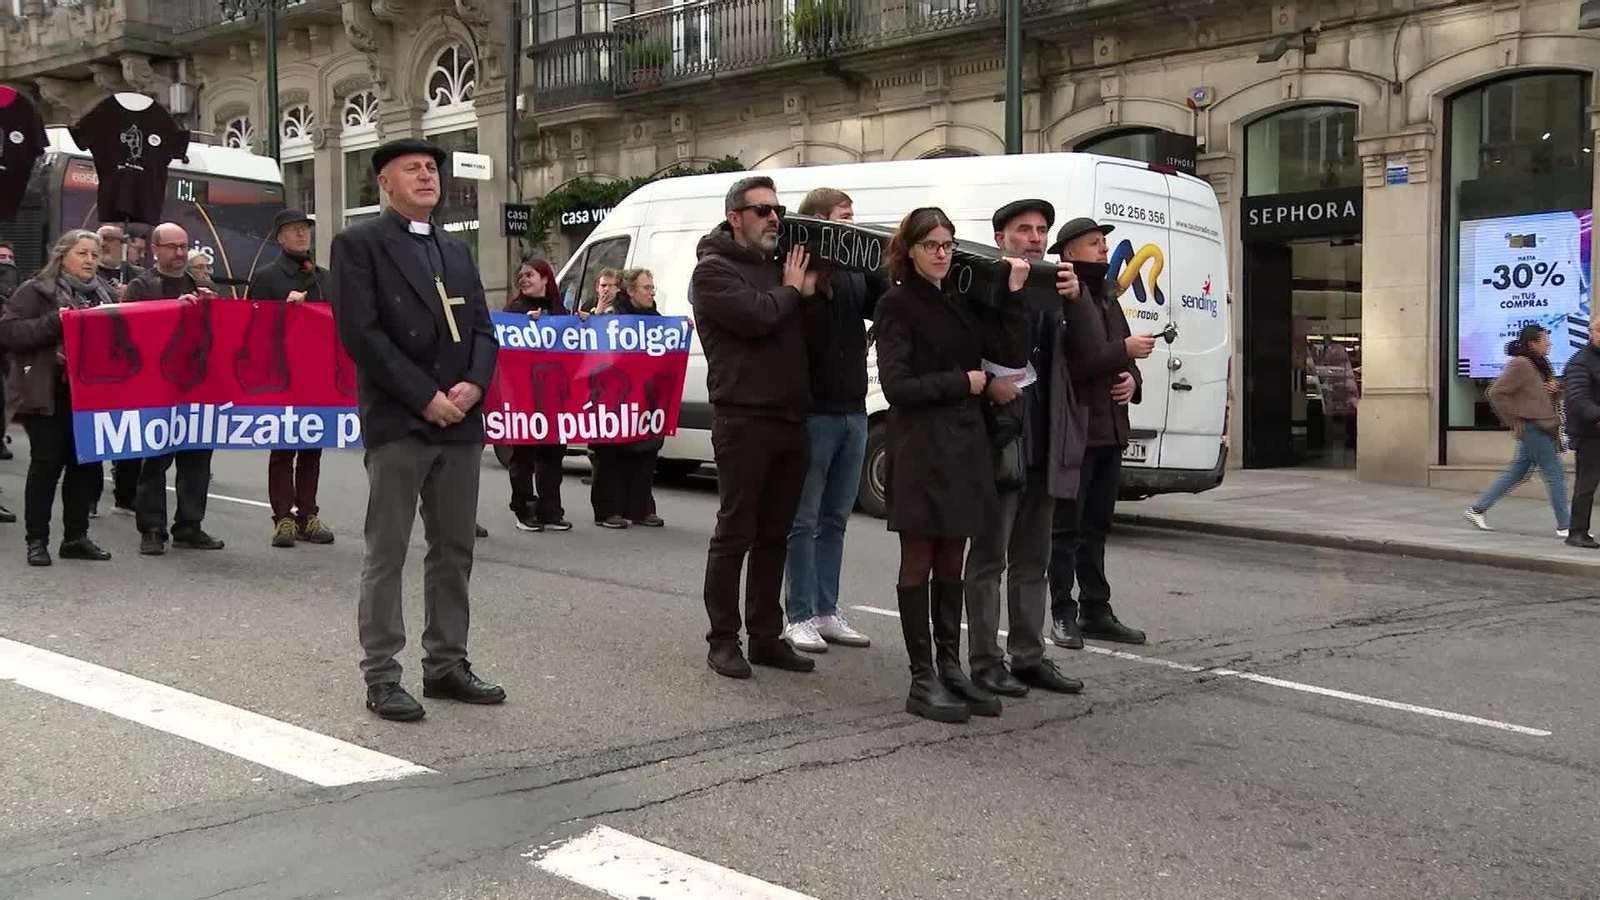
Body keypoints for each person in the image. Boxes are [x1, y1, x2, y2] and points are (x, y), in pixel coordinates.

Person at [331, 137, 503, 722]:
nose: (427, 176)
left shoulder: (456, 247)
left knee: (454, 548)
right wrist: (425, 397)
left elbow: (482, 326)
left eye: (432, 168)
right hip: (401, 417)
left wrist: (474, 385)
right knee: (388, 551)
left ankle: (446, 664)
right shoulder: (359, 244)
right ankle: (382, 675)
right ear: (385, 182)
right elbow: (362, 335)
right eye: (413, 169)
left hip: (460, 420)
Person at [875, 206, 1013, 723]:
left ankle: (950, 667)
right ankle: (921, 678)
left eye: (947, 245)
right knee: (920, 555)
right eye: (931, 245)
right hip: (921, 447)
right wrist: (963, 382)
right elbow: (897, 386)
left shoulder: (957, 299)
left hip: (963, 446)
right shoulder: (896, 303)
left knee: (953, 555)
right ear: (910, 249)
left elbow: (999, 348)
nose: (941, 254)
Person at [690, 174, 818, 679]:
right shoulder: (712, 271)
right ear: (735, 217)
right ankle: (723, 639)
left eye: (777, 210)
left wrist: (803, 290)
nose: (773, 219)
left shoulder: (778, 266)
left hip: (790, 417)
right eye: (762, 210)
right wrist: (792, 291)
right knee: (735, 532)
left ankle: (766, 635)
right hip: (743, 417)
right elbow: (758, 317)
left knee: (775, 534)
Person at [961, 198, 1086, 697]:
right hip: (1000, 438)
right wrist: (985, 383)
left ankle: (1029, 656)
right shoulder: (981, 283)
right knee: (989, 558)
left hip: (1047, 440)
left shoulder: (1060, 288)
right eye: (1023, 229)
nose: (1035, 238)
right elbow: (961, 348)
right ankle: (985, 660)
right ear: (1000, 239)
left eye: (1041, 230)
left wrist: (1078, 304)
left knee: (1034, 558)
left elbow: (1090, 355)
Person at [780, 188, 882, 654]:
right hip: (814, 411)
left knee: (836, 518)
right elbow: (796, 337)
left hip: (853, 408)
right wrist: (807, 293)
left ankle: (826, 609)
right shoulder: (800, 270)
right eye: (844, 218)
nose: (852, 225)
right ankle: (798, 614)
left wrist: (876, 264)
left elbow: (885, 303)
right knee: (804, 519)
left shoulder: (854, 272)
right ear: (821, 221)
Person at [1049, 218, 1156, 647]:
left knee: (1096, 526)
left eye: (1104, 243)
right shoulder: (1064, 295)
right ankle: (1062, 612)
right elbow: (1075, 364)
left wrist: (1133, 380)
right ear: (1070, 252)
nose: (1104, 249)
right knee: (1065, 529)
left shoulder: (1109, 296)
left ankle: (1096, 609)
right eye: (1095, 243)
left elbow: (1122, 361)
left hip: (1110, 430)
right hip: (1078, 430)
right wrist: (1123, 352)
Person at [0, 229, 113, 565]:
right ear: (63, 256)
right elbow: (8, 332)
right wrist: (56, 322)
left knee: (84, 465)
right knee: (47, 464)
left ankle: (75, 538)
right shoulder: (37, 290)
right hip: (48, 390)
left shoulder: (105, 294)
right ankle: (37, 540)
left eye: (95, 254)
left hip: (90, 393)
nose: (90, 260)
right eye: (82, 253)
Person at [124, 222, 225, 555]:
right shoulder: (141, 286)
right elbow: (131, 332)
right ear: (155, 249)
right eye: (172, 246)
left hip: (196, 386)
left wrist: (213, 309)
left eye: (183, 246)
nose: (180, 253)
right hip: (156, 388)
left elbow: (220, 336)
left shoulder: (202, 284)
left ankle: (189, 525)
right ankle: (152, 529)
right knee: (155, 462)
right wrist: (171, 310)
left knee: (197, 462)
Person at [247, 208, 336, 548]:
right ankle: (283, 516)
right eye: (294, 229)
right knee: (283, 447)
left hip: (317, 373)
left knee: (313, 446)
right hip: (282, 373)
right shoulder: (266, 277)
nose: (301, 235)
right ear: (280, 237)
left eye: (305, 229)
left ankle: (308, 515)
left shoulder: (325, 278)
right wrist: (282, 311)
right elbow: (253, 327)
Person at [1462, 325, 1569, 538]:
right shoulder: (1521, 363)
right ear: (1532, 343)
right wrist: (1515, 420)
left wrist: (1556, 389)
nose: (1549, 343)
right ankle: (1566, 526)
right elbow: (1496, 392)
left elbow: (1539, 396)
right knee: (1555, 475)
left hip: (1543, 425)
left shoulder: (1539, 364)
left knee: (1517, 472)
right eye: (1545, 339)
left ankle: (1477, 509)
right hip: (1534, 427)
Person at [591, 267, 666, 529]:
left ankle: (640, 508)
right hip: (615, 395)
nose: (651, 292)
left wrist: (682, 329)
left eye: (652, 287)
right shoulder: (613, 316)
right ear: (631, 291)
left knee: (645, 451)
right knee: (611, 453)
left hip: (645, 396)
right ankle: (607, 510)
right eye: (646, 287)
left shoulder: (655, 319)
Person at [504, 256, 574, 533]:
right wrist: (526, 325)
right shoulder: (514, 311)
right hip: (525, 393)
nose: (523, 280)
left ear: (545, 278)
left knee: (552, 453)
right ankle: (525, 509)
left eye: (529, 275)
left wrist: (582, 322)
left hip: (553, 394)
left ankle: (550, 509)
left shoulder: (560, 311)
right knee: (523, 454)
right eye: (521, 276)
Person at [1562, 318, 1600, 549]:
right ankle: (1577, 532)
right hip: (1590, 434)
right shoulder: (1581, 362)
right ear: (1590, 332)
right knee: (1586, 485)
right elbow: (1578, 399)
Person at [0, 239, 18, 465]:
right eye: (2, 257)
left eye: (10, 258)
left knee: (10, 396)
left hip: (8, 348)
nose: (7, 262)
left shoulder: (17, 285)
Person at [95, 225, 142, 300]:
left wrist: (131, 294)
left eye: (109, 239)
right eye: (98, 239)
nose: (102, 244)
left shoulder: (140, 275)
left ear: (125, 244)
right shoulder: (88, 274)